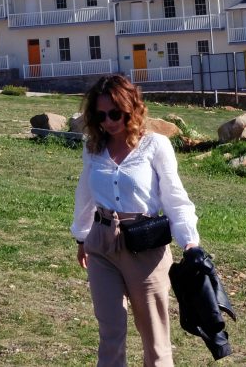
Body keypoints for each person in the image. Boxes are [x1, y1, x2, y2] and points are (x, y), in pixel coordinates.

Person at [72, 74, 200, 367]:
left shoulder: (155, 145)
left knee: (155, 339)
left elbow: (175, 198)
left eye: (115, 113)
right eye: (101, 115)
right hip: (102, 245)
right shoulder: (93, 148)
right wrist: (81, 236)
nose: (108, 121)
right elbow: (85, 193)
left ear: (131, 108)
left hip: (145, 247)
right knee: (111, 332)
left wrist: (190, 242)